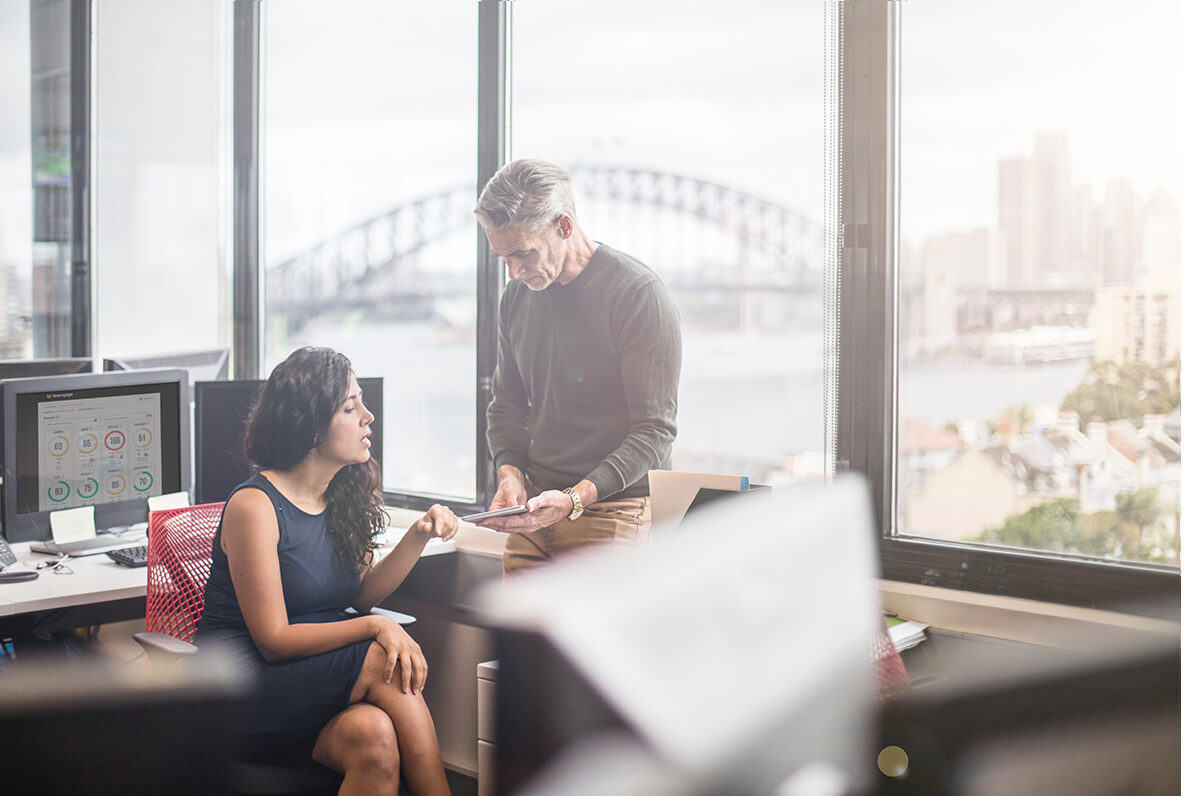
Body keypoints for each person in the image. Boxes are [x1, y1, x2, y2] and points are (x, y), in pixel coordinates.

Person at [194, 347, 455, 796]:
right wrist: (375, 627)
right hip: (241, 689)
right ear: (311, 428)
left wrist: (419, 535)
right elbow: (274, 641)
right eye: (350, 408)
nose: (369, 417)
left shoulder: (342, 497)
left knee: (375, 737)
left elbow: (361, 595)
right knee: (383, 661)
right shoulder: (254, 506)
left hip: (309, 679)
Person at [473, 159, 682, 573]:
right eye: (503, 257)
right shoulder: (516, 297)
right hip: (536, 507)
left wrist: (573, 499)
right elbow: (506, 406)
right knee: (513, 620)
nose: (513, 272)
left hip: (615, 508)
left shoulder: (639, 294)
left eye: (523, 253)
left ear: (564, 226)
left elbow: (655, 431)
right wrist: (510, 474)